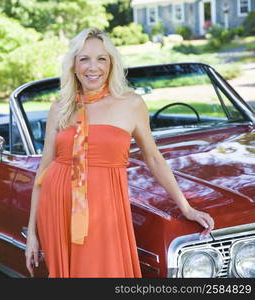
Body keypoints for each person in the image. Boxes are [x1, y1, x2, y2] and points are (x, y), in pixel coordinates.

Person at [25, 27, 214, 278]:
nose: (93, 67)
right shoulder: (60, 106)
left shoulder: (131, 103)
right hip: (58, 206)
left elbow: (154, 158)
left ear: (111, 63)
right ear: (73, 65)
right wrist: (32, 234)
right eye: (84, 59)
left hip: (105, 207)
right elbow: (44, 169)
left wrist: (186, 207)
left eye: (101, 59)